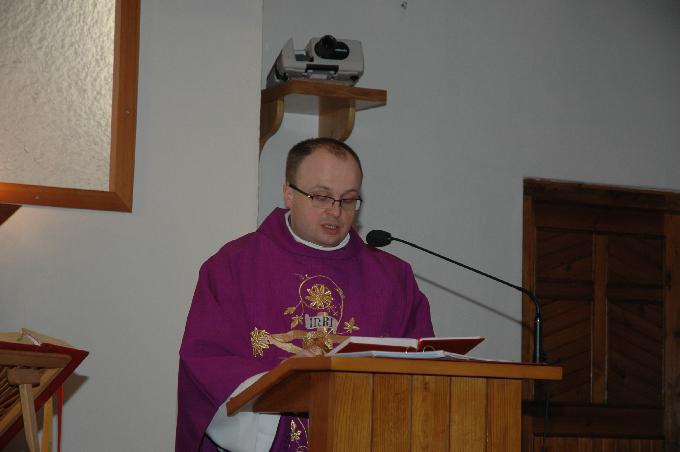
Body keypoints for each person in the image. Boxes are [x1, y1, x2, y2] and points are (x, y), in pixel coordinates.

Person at [176, 138, 433, 451]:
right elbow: (205, 365)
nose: (335, 211)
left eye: (348, 199)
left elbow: (424, 376)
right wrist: (282, 379)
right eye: (321, 196)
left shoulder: (393, 278)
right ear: (289, 193)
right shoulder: (233, 266)